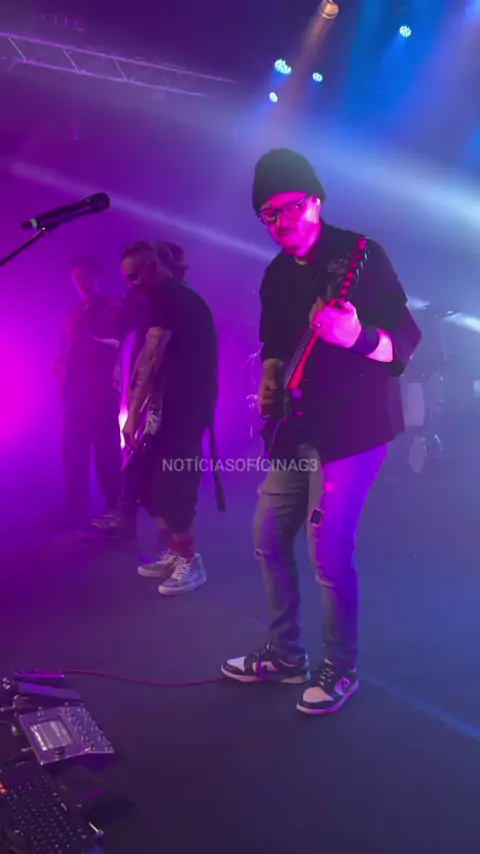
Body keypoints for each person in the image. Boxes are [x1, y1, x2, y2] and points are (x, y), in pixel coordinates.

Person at [221, 149, 422, 715]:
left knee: (329, 553)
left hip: (355, 427)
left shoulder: (360, 255)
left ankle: (341, 667)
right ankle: (286, 655)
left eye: (290, 207)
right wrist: (269, 380)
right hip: (295, 425)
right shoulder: (276, 273)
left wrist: (357, 337)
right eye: (268, 213)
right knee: (267, 537)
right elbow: (274, 343)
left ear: (317, 201)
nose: (281, 221)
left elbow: (405, 340)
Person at [97, 240, 219, 595]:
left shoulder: (170, 297)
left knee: (172, 484)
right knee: (141, 477)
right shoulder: (162, 298)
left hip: (184, 407)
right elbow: (147, 356)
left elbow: (152, 358)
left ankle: (191, 562)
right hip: (169, 404)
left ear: (153, 267)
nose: (131, 284)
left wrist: (133, 415)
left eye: (135, 276)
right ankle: (175, 551)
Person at [91, 243, 190, 538]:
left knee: (145, 453)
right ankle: (132, 515)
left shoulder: (171, 300)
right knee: (137, 451)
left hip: (162, 389)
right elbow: (128, 336)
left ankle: (160, 526)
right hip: (144, 383)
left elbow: (157, 349)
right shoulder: (145, 299)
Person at [53, 257, 122, 524]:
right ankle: (75, 505)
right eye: (75, 278)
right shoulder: (74, 311)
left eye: (84, 276)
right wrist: (60, 365)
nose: (80, 283)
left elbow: (116, 344)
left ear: (96, 276)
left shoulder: (111, 307)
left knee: (107, 452)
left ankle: (115, 505)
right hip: (76, 395)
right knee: (72, 452)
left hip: (101, 394)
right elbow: (65, 346)